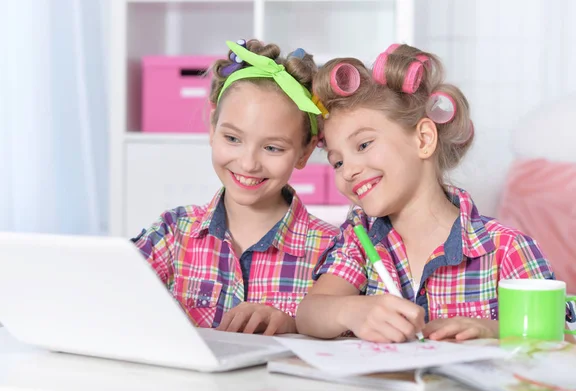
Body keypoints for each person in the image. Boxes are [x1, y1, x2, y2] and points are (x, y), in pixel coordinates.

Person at [295, 43, 574, 342]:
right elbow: (310, 313)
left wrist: (493, 330)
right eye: (337, 161)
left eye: (363, 145)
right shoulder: (358, 240)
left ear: (424, 139)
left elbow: (562, 335)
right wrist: (349, 311)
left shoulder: (506, 248)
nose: (347, 171)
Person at [132, 39, 338, 335]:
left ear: (304, 152)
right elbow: (110, 292)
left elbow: (353, 336)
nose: (248, 163)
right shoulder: (173, 233)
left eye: (272, 147)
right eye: (233, 139)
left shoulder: (332, 249)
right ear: (213, 128)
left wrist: (294, 325)